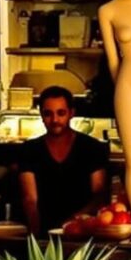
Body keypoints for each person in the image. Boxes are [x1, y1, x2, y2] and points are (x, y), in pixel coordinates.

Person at [17, 86, 111, 236]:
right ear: (41, 115)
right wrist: (36, 237)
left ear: (71, 113)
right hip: (43, 232)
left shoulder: (92, 148)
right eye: (48, 114)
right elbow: (30, 199)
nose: (54, 120)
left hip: (83, 233)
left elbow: (99, 195)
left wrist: (73, 223)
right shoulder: (29, 150)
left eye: (61, 113)